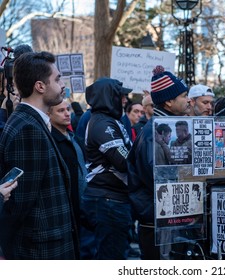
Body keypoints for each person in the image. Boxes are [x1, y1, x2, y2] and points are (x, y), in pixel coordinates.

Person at [0, 51, 78, 259]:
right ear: (40, 86)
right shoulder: (28, 128)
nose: (62, 85)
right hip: (40, 250)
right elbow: (19, 204)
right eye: (57, 79)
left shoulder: (32, 122)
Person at [128, 65, 190, 259]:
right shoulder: (152, 133)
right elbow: (156, 176)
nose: (188, 100)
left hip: (163, 215)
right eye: (183, 96)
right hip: (156, 219)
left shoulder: (159, 128)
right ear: (169, 102)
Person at [81, 77, 134, 260]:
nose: (126, 100)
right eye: (121, 96)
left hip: (112, 200)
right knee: (112, 257)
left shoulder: (110, 120)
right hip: (108, 202)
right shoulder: (103, 124)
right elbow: (124, 161)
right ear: (108, 97)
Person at [47, 99, 94, 259]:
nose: (67, 113)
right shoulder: (51, 141)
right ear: (49, 114)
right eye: (61, 111)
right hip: (67, 212)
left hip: (83, 207)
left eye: (68, 109)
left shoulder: (74, 139)